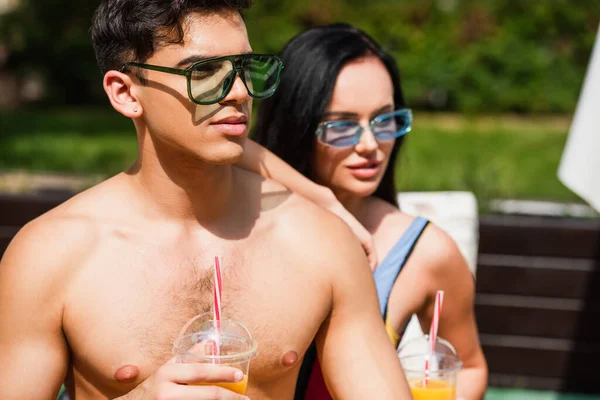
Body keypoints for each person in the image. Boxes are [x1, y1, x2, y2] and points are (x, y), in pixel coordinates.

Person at [0, 3, 412, 400]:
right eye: (205, 72)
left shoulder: (320, 241)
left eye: (246, 69)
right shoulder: (51, 255)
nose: (238, 92)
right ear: (125, 93)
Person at [250, 23, 489, 399]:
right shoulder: (242, 219)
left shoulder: (425, 251)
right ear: (296, 124)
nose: (370, 144)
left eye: (384, 120)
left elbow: (470, 366)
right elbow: (223, 148)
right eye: (342, 125)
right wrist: (323, 200)